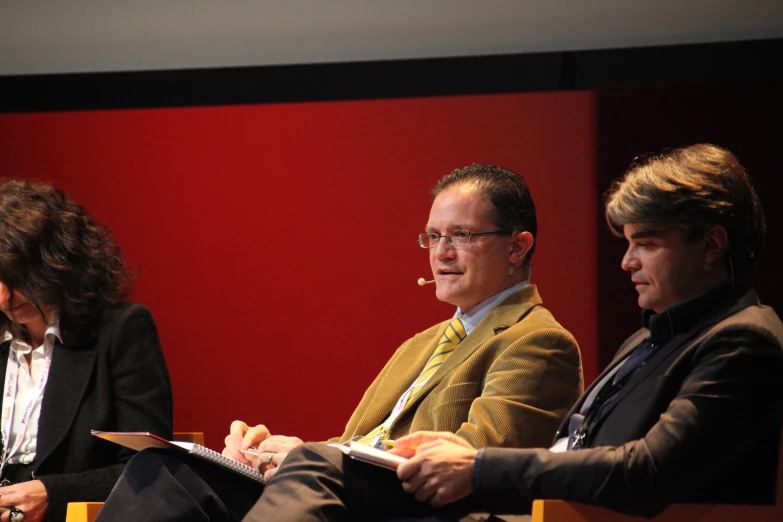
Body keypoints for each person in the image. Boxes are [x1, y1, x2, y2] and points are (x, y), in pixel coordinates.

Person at [245, 143, 783, 521]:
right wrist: (294, 451)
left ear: (711, 247)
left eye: (646, 243)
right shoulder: (649, 339)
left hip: (517, 513)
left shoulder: (743, 339)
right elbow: (578, 446)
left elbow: (645, 473)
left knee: (314, 470)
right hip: (531, 511)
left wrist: (476, 466)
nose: (626, 262)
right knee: (188, 475)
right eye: (432, 237)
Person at [94, 163, 583, 521]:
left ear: (517, 246)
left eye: (461, 235)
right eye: (432, 237)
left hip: (422, 510)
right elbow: (356, 448)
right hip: (352, 497)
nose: (441, 254)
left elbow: (473, 459)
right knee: (168, 467)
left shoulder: (537, 340)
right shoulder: (423, 343)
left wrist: (312, 460)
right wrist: (288, 453)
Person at [0, 179, 173, 522]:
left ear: (56, 263)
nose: (4, 298)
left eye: (16, 279)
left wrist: (55, 494)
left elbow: (150, 465)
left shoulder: (121, 330)